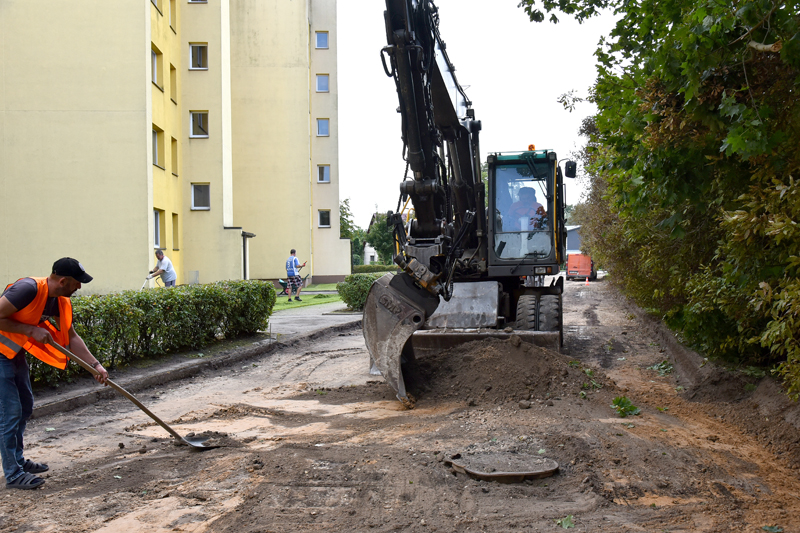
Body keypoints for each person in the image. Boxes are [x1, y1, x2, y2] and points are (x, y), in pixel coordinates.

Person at [0, 258, 109, 490]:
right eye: (77, 282)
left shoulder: (59, 300)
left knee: (25, 406)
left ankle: (18, 460)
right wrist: (29, 329)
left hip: (12, 353)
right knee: (10, 412)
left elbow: (71, 336)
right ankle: (13, 473)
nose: (79, 287)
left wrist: (95, 366)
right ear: (63, 281)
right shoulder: (27, 289)